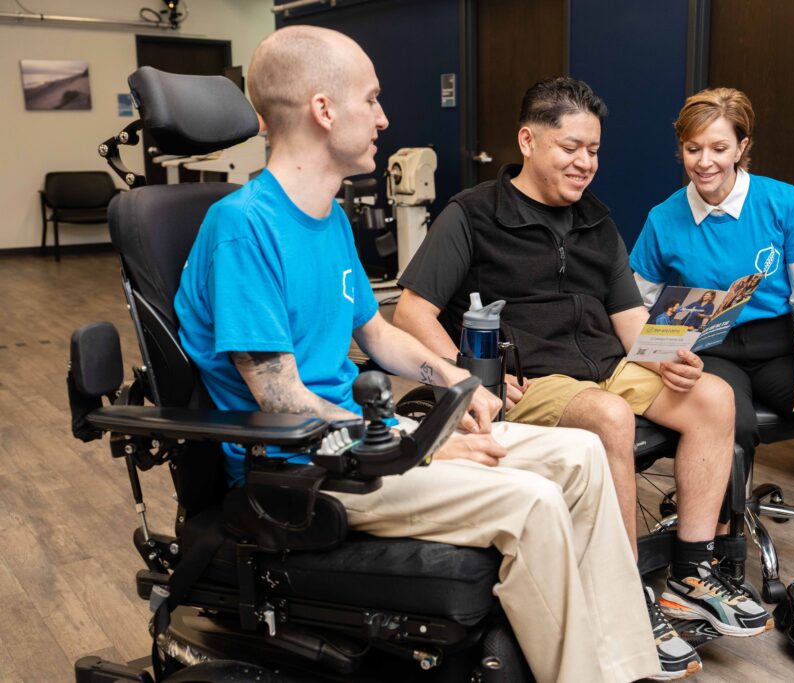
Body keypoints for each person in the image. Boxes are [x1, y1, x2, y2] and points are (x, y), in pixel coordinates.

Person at [173, 26, 672, 683]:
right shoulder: (243, 226)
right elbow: (282, 399)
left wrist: (460, 384)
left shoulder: (324, 220)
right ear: (324, 110)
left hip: (359, 443)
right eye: (372, 99)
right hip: (301, 472)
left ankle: (627, 665)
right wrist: (421, 444)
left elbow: (377, 334)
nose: (384, 117)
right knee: (533, 503)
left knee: (580, 455)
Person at [394, 76, 773, 670]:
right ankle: (626, 597)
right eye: (571, 147)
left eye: (594, 150)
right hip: (531, 379)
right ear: (528, 140)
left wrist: (671, 354)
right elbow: (411, 310)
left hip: (607, 367)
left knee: (714, 396)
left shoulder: (596, 220)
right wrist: (469, 373)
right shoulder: (472, 215)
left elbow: (629, 319)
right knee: (609, 414)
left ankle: (691, 571)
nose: (585, 163)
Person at [629, 87, 794, 664]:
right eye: (691, 148)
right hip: (711, 349)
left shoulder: (782, 203)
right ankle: (715, 570)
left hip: (780, 346)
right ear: (680, 150)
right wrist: (662, 352)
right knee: (726, 415)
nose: (704, 161)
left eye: (717, 147)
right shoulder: (663, 219)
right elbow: (636, 307)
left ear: (742, 147)